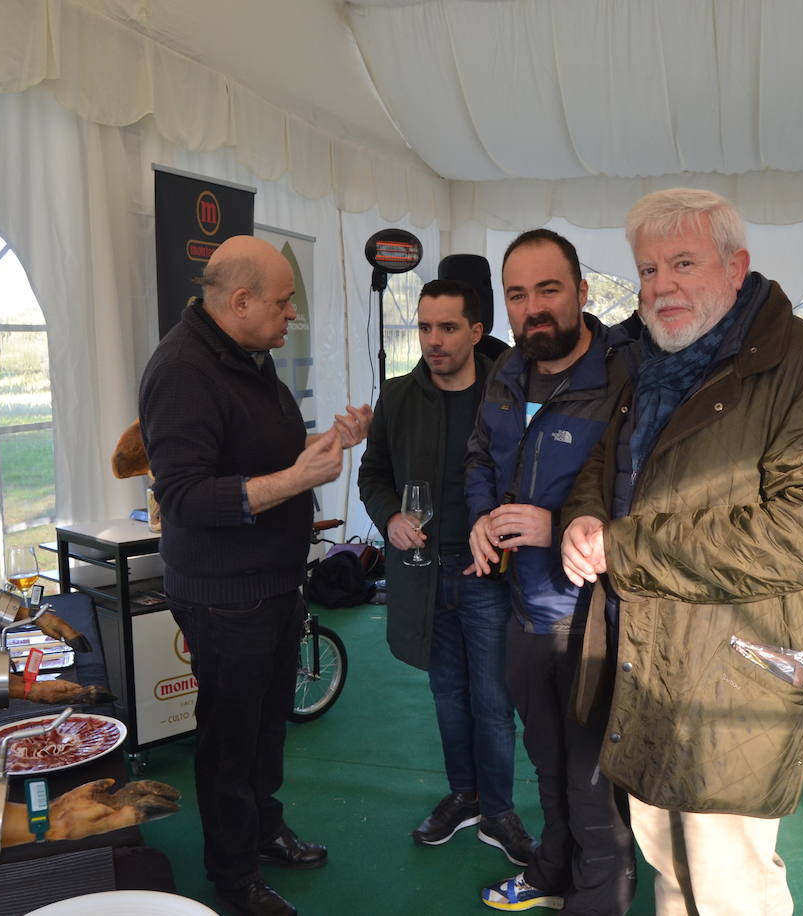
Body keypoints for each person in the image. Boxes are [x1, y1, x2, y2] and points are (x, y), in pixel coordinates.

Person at [560, 188, 803, 915]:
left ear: (737, 267)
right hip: (650, 662)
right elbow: (607, 467)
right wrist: (582, 517)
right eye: (647, 270)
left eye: (683, 263)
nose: (660, 285)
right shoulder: (652, 361)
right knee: (669, 865)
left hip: (734, 674)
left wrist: (623, 548)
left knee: (729, 885)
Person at [139, 236, 371, 916]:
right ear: (239, 303)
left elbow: (262, 455)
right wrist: (297, 478)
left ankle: (263, 829)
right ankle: (233, 880)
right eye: (282, 301)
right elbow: (182, 497)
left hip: (270, 584)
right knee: (231, 740)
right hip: (224, 596)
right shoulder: (181, 370)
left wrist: (324, 446)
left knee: (268, 727)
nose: (291, 313)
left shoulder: (247, 355)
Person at [466, 228, 637, 914]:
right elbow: (480, 456)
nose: (532, 307)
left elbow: (641, 489)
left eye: (548, 289)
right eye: (517, 294)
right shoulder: (507, 371)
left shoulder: (624, 379)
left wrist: (556, 522)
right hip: (524, 612)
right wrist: (483, 517)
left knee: (594, 782)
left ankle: (599, 901)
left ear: (582, 293)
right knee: (547, 763)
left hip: (598, 618)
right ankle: (551, 873)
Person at [356, 279, 534, 865]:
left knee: (492, 699)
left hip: (489, 575)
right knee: (448, 696)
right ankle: (464, 795)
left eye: (447, 328)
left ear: (476, 332)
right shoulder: (398, 398)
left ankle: (500, 811)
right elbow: (373, 475)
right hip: (424, 575)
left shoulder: (509, 393)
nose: (433, 341)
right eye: (424, 328)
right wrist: (389, 519)